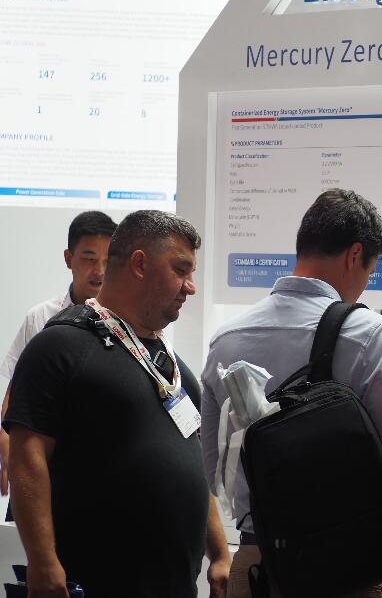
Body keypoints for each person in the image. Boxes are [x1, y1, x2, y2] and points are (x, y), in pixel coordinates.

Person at [3, 210, 230, 598]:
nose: (190, 287)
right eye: (180, 270)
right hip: (95, 581)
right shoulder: (60, 347)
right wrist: (43, 561)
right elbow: (28, 458)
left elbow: (191, 467)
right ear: (139, 264)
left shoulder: (170, 367)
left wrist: (221, 554)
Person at [200, 188, 382, 598]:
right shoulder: (367, 333)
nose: (364, 285)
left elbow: (216, 469)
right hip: (351, 567)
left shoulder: (226, 339)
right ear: (354, 255)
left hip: (258, 565)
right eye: (369, 271)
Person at [0, 210, 117, 498]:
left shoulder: (128, 322)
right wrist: (6, 439)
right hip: (40, 462)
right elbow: (16, 388)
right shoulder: (40, 317)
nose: (99, 271)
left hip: (101, 465)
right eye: (89, 259)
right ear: (69, 258)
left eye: (107, 261)